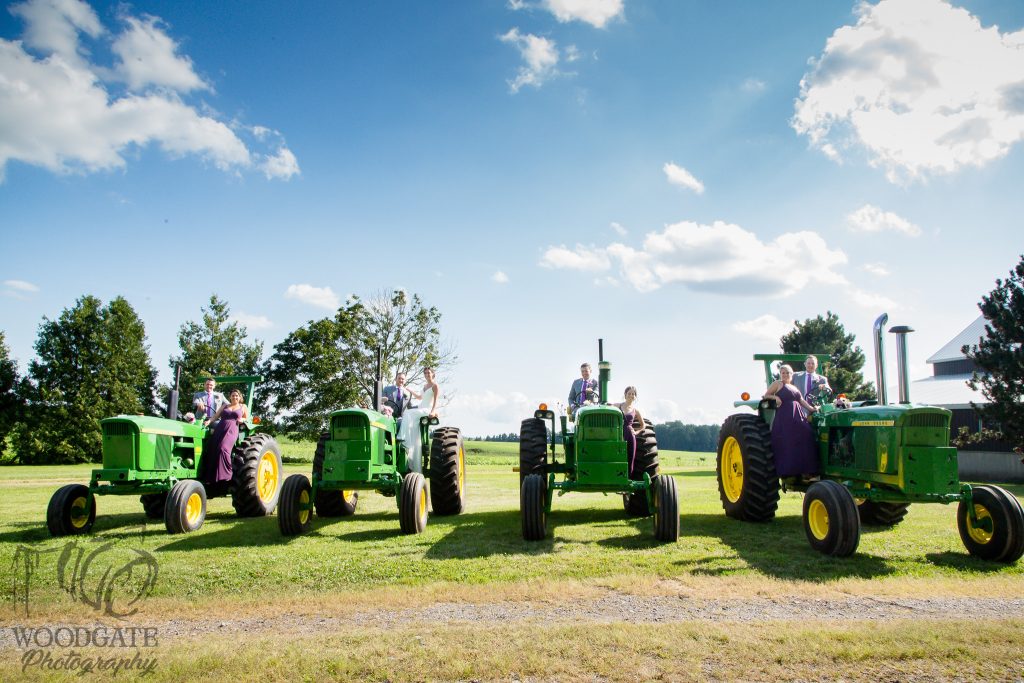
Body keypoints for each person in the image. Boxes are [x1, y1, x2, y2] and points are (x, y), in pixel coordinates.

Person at [763, 364, 819, 477]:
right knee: (788, 439)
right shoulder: (777, 384)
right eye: (783, 373)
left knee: (807, 433)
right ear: (780, 374)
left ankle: (806, 469)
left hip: (797, 414)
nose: (785, 375)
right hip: (785, 416)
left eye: (787, 373)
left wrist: (812, 409)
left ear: (791, 375)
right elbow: (766, 395)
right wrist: (776, 397)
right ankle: (788, 471)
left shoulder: (793, 387)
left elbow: (801, 400)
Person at [396, 367, 439, 474]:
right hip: (421, 407)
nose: (426, 374)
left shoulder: (435, 386)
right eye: (425, 373)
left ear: (433, 374)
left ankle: (402, 438)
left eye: (428, 373)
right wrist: (410, 390)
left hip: (427, 409)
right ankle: (411, 445)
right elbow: (420, 397)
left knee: (407, 413)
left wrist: (433, 411)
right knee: (412, 424)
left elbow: (436, 400)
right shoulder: (425, 386)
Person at [204, 388, 248, 488]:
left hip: (232, 428)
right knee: (213, 449)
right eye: (233, 395)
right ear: (230, 397)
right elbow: (215, 416)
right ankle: (212, 479)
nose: (234, 397)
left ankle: (227, 475)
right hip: (220, 427)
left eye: (236, 395)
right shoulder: (225, 406)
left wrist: (242, 419)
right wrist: (209, 421)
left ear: (239, 397)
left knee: (223, 449)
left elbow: (246, 417)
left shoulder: (242, 406)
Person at [616, 386, 645, 477]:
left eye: (633, 394)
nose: (631, 395)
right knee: (618, 456)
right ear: (625, 395)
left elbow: (643, 425)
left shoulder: (636, 411)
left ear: (635, 396)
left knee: (630, 457)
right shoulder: (617, 405)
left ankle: (627, 480)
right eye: (629, 393)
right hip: (618, 434)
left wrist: (636, 432)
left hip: (630, 435)